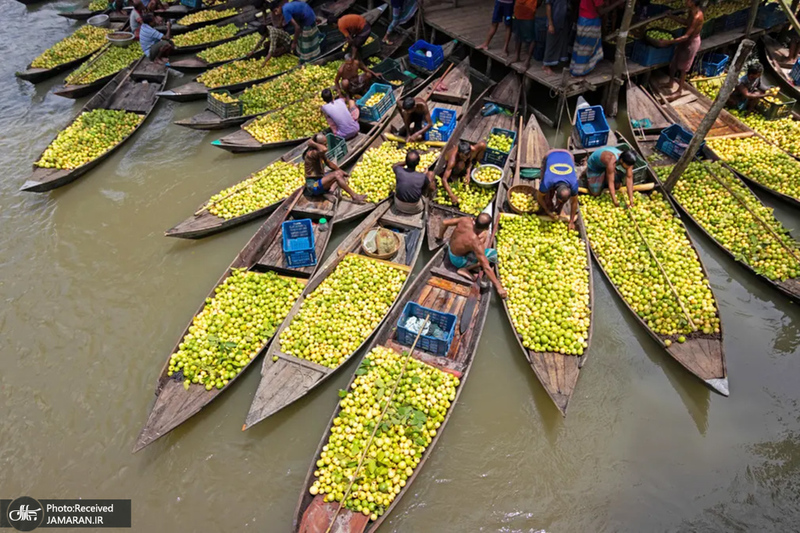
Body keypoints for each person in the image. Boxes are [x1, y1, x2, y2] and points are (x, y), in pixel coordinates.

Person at [438, 213, 508, 298]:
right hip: (457, 261)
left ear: (474, 219)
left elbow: (444, 222)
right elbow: (486, 267)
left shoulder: (465, 220)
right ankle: (465, 269)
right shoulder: (475, 243)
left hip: (450, 250)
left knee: (481, 242)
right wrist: (499, 287)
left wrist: (440, 237)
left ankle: (467, 262)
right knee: (492, 254)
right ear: (487, 228)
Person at [660, 0, 704, 99]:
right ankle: (670, 83)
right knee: (674, 62)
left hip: (691, 42)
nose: (685, 1)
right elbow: (686, 23)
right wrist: (671, 16)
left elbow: (686, 36)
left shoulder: (697, 16)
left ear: (692, 2)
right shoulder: (691, 12)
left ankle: (679, 91)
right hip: (685, 40)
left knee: (684, 68)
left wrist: (667, 42)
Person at [304, 134, 366, 203]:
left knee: (339, 174)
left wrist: (340, 170)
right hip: (314, 185)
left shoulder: (319, 152)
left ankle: (328, 192)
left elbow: (328, 163)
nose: (327, 146)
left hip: (320, 179)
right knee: (337, 175)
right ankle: (354, 196)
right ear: (318, 145)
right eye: (325, 144)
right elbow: (324, 149)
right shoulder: (311, 154)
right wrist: (313, 143)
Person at [570, 0, 622, 77]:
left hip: (582, 20)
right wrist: (617, 3)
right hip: (590, 22)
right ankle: (578, 72)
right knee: (586, 49)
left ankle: (574, 69)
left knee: (580, 47)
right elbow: (601, 11)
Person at [536, 149, 579, 230]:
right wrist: (547, 211)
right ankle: (549, 206)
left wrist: (571, 221)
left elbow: (574, 203)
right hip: (550, 154)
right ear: (556, 193)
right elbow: (539, 196)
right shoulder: (547, 181)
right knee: (546, 195)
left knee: (562, 199)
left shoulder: (573, 184)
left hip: (568, 155)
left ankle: (559, 209)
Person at [440, 140, 487, 206]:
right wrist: (451, 195)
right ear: (459, 154)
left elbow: (483, 144)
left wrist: (468, 174)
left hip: (466, 159)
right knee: (461, 164)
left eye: (467, 156)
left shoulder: (471, 149)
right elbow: (444, 179)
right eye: (463, 157)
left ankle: (476, 163)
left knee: (481, 148)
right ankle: (454, 176)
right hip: (453, 165)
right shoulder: (452, 160)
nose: (465, 158)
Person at [392, 150, 435, 214]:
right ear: (418, 163)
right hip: (415, 208)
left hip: (398, 205)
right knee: (431, 174)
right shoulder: (422, 177)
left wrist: (406, 162)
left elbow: (394, 165)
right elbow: (432, 188)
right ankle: (429, 198)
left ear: (406, 161)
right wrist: (424, 176)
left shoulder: (399, 170)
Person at [543, 0, 570, 74]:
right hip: (554, 20)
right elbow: (548, 7)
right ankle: (546, 65)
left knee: (562, 42)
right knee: (551, 43)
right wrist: (550, 24)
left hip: (563, 21)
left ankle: (555, 63)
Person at [512, 0, 538, 68]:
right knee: (517, 34)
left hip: (529, 12)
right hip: (518, 11)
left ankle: (527, 60)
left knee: (531, 38)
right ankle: (516, 55)